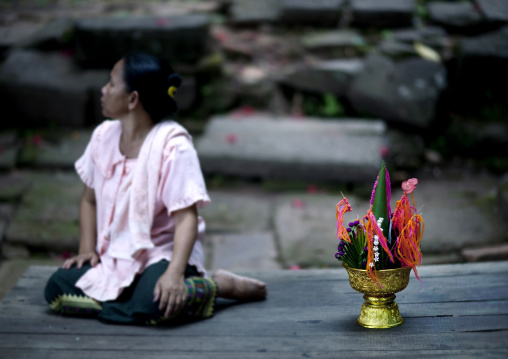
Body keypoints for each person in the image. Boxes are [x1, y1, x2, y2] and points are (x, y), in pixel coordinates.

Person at [44, 52, 267, 325]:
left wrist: (173, 274)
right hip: (113, 255)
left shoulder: (174, 147)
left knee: (156, 302)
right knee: (56, 287)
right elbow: (88, 200)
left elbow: (186, 218)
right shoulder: (103, 137)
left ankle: (218, 285)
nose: (104, 90)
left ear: (132, 99)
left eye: (111, 84)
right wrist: (86, 249)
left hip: (160, 254)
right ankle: (127, 304)